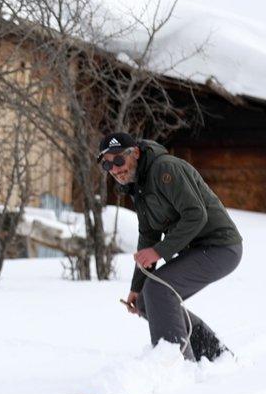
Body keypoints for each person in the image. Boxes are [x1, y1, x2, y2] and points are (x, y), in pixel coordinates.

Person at [99, 131, 243, 361]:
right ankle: (214, 355)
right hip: (198, 249)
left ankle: (175, 364)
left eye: (118, 160)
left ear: (135, 153)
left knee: (159, 290)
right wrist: (137, 286)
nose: (115, 169)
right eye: (107, 165)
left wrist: (159, 251)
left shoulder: (164, 169)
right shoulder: (140, 186)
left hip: (220, 247)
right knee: (147, 300)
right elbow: (148, 236)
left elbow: (196, 215)